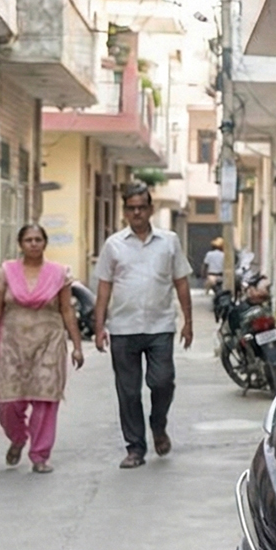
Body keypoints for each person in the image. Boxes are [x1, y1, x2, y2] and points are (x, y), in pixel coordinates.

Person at [94, 184, 194, 469]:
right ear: (125, 211)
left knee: (162, 382)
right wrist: (99, 326)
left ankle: (158, 424)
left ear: (151, 209)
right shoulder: (113, 244)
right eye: (131, 208)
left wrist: (188, 321)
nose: (136, 212)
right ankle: (135, 448)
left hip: (160, 325)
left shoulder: (169, 241)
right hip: (123, 328)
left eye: (141, 207)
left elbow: (181, 282)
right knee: (128, 392)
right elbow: (104, 287)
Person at [0, 223, 86, 473]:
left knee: (45, 400)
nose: (34, 244)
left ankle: (40, 455)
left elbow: (67, 310)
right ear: (21, 244)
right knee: (7, 402)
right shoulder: (6, 272)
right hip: (11, 343)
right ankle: (17, 438)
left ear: (45, 243)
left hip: (48, 342)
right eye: (28, 240)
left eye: (38, 239)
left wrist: (77, 346)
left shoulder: (59, 273)